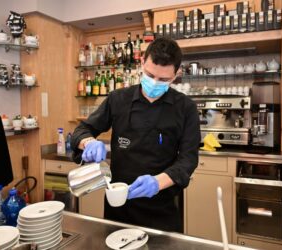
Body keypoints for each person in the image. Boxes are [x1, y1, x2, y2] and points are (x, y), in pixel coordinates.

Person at [71, 37, 200, 232]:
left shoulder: (186, 108)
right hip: (118, 207)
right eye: (150, 75)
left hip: (161, 209)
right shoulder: (118, 99)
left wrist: (157, 182)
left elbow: (188, 160)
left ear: (176, 75)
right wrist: (88, 142)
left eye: (164, 79)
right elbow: (82, 130)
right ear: (141, 63)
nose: (155, 83)